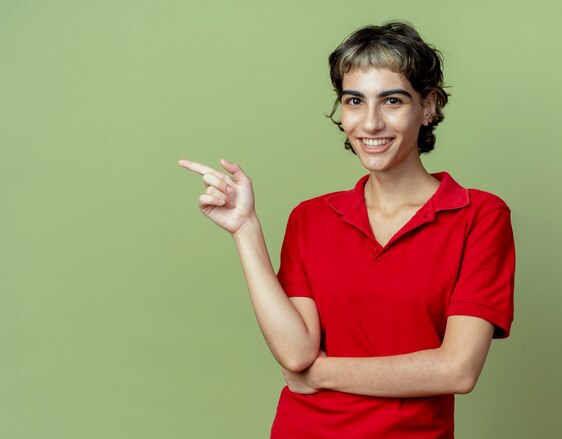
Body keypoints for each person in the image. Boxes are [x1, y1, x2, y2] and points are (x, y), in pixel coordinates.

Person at [178, 21, 515, 439]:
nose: (370, 123)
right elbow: (295, 352)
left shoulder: (479, 216)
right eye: (355, 101)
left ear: (428, 106)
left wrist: (320, 374)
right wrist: (245, 229)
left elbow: (458, 370)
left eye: (392, 100)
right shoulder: (311, 218)